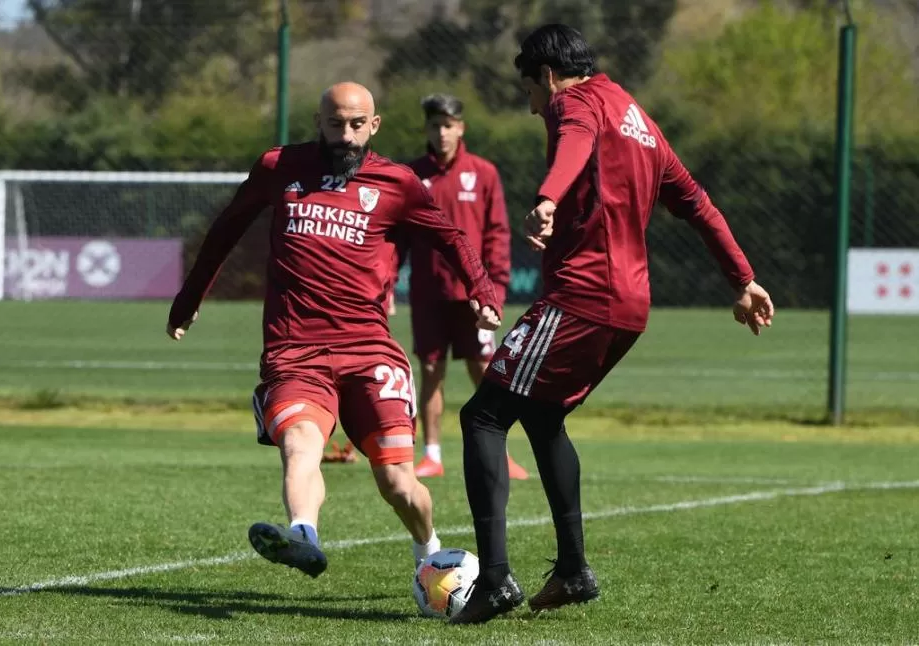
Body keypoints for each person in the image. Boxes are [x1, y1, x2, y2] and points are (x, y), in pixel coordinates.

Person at [449, 25, 775, 624]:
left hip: (583, 294)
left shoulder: (574, 103)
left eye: (529, 93)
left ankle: (494, 580)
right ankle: (572, 570)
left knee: (483, 416)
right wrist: (743, 278)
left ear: (547, 76)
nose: (532, 107)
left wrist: (547, 197)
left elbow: (573, 139)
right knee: (544, 418)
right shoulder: (637, 117)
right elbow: (696, 200)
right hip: (630, 304)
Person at [166, 82, 502, 579]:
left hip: (370, 351)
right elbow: (227, 227)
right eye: (334, 124)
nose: (345, 135)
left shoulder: (399, 183)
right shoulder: (279, 168)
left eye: (356, 125)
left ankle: (429, 548)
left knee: (396, 481)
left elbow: (451, 235)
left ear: (374, 125)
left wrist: (484, 292)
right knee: (301, 443)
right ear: (318, 123)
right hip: (295, 350)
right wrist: (189, 297)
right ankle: (303, 532)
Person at [403, 93, 528, 480]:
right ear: (426, 129)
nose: (441, 133)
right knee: (429, 369)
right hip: (428, 294)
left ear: (461, 128)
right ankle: (432, 455)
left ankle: (501, 454)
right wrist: (387, 286)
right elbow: (398, 237)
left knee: (486, 371)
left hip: (475, 299)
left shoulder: (484, 173)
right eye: (434, 125)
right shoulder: (411, 175)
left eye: (448, 125)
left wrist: (496, 292)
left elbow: (498, 236)